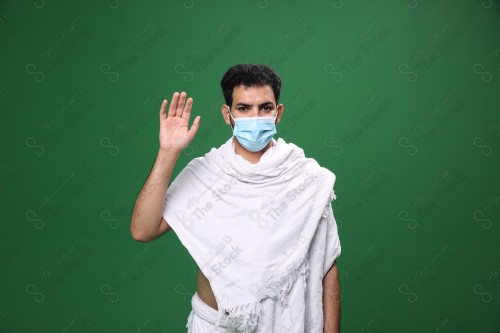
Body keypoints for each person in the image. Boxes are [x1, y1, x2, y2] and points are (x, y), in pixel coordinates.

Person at [130, 64, 341, 332]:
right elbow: (142, 230)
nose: (256, 116)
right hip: (216, 325)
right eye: (243, 108)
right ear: (227, 114)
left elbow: (327, 264)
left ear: (278, 113)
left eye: (265, 108)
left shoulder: (306, 178)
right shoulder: (206, 172)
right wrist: (168, 152)